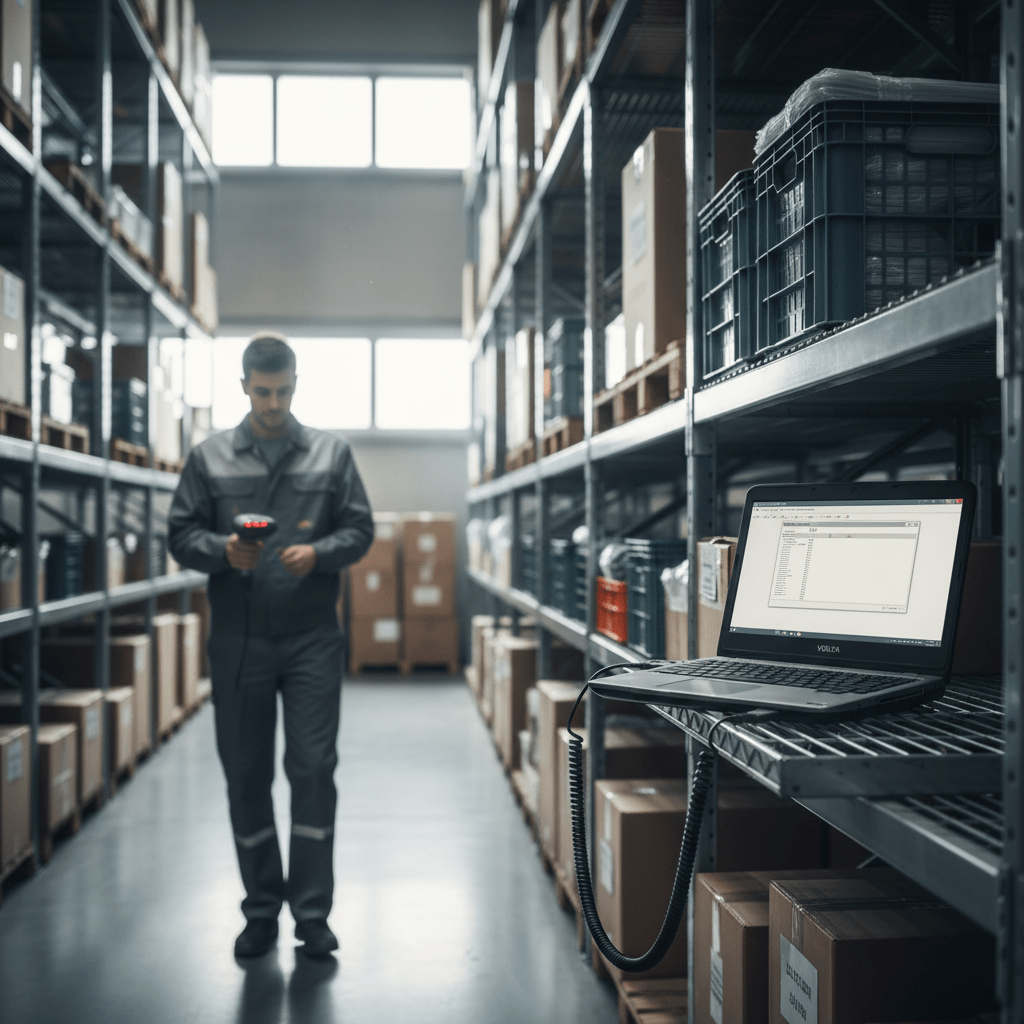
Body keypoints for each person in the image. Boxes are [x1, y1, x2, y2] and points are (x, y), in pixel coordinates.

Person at [168, 333, 374, 959]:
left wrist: (320, 553)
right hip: (240, 641)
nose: (274, 404)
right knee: (246, 775)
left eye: (283, 391)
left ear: (295, 385)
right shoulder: (208, 458)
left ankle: (311, 915)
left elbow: (360, 528)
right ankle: (260, 911)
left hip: (312, 638)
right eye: (263, 392)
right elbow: (180, 534)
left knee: (312, 770)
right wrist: (221, 551)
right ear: (244, 386)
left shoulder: (331, 454)